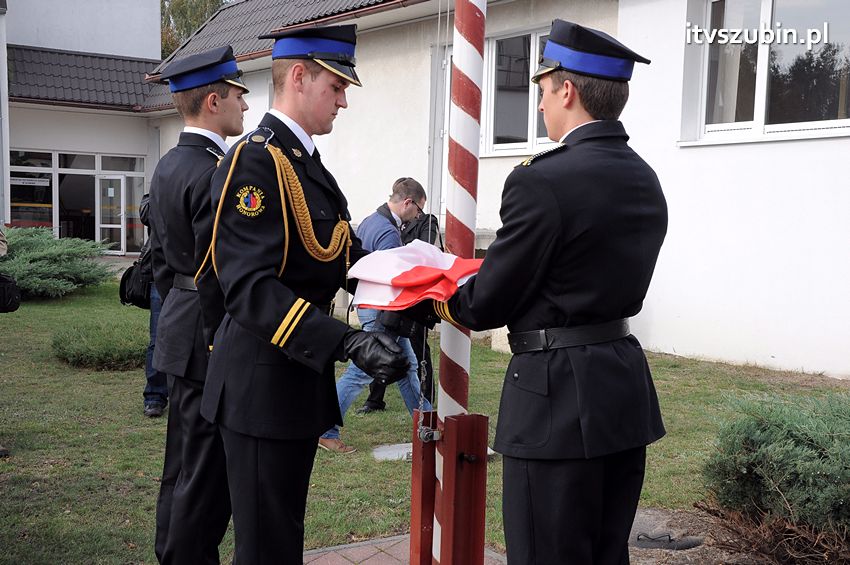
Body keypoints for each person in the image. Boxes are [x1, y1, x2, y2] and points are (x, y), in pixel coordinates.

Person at [407, 19, 668, 564]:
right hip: (621, 390)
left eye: (543, 90)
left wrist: (434, 291)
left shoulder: (541, 179)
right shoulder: (644, 176)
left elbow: (488, 301)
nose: (541, 104)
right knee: (606, 552)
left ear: (567, 90)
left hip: (555, 401)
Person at [199, 25, 409, 563]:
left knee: (283, 534)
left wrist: (420, 285)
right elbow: (248, 288)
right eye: (336, 87)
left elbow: (345, 257)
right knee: (267, 545)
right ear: (298, 76)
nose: (343, 101)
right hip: (259, 382)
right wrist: (346, 341)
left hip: (290, 381)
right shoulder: (256, 161)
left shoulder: (305, 164)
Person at [147, 45, 249, 564]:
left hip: (180, 325)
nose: (244, 106)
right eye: (237, 95)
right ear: (213, 101)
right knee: (204, 475)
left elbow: (161, 263)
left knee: (182, 464)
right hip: (207, 333)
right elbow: (219, 272)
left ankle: (170, 551)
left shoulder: (168, 163)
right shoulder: (218, 171)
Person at [319, 178, 434, 453]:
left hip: (371, 305)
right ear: (408, 203)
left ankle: (429, 424)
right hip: (382, 311)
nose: (417, 217)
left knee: (407, 368)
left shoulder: (371, 220)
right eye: (418, 210)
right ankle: (325, 430)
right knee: (359, 373)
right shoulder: (389, 233)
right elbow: (391, 279)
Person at [358, 194, 442, 414]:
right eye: (418, 210)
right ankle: (374, 400)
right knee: (374, 361)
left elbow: (423, 252)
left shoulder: (424, 221)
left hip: (401, 298)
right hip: (388, 301)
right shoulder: (387, 227)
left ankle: (425, 405)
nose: (417, 215)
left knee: (413, 357)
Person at [138, 194, 168, 418]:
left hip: (193, 277)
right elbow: (146, 214)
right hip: (161, 276)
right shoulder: (155, 194)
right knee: (157, 340)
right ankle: (154, 397)